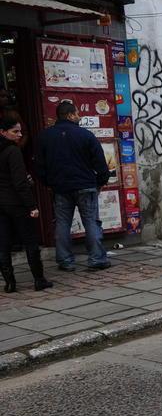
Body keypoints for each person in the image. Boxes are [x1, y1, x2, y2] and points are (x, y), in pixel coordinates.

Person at [36, 101, 111, 272]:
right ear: (70, 115)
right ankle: (97, 259)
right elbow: (100, 163)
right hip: (85, 184)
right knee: (91, 221)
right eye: (77, 113)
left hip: (61, 187)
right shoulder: (85, 135)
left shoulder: (45, 136)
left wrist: (49, 183)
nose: (79, 116)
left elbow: (39, 166)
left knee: (62, 223)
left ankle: (65, 260)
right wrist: (100, 182)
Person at [0, 116, 52, 291]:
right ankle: (39, 279)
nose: (19, 135)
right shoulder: (12, 151)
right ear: (2, 132)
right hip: (16, 203)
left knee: (3, 244)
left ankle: (10, 283)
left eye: (20, 131)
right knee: (30, 241)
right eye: (15, 131)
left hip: (1, 204)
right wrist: (32, 206)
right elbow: (19, 182)